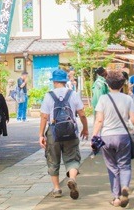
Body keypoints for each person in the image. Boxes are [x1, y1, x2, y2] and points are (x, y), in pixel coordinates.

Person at [39, 68, 89, 199]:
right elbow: (82, 114)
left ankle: (56, 189)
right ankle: (72, 178)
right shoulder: (73, 94)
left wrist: (41, 135)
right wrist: (85, 128)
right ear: (65, 81)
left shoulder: (48, 95)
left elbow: (44, 116)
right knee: (72, 157)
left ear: (54, 81)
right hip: (70, 131)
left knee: (53, 159)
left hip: (53, 132)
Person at [93, 70, 134, 208]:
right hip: (123, 136)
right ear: (122, 84)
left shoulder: (103, 99)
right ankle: (125, 187)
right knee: (124, 165)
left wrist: (94, 136)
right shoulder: (128, 99)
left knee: (112, 168)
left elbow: (99, 120)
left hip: (107, 136)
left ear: (107, 84)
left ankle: (116, 198)